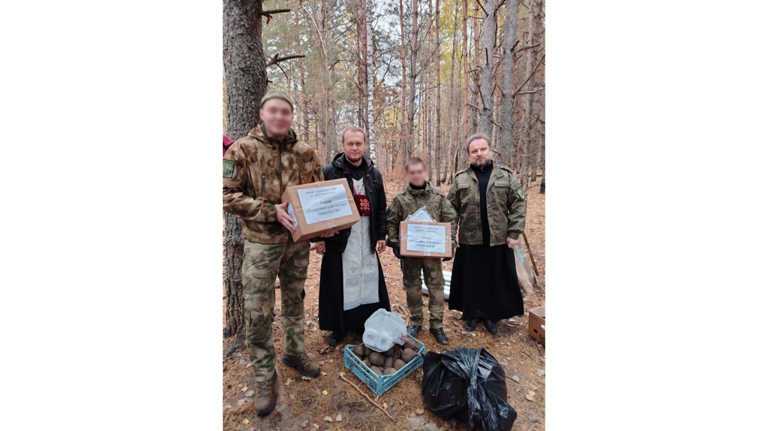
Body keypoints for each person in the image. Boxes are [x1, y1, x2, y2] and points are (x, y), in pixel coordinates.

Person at [222, 90, 335, 416]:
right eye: (273, 111)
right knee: (257, 311)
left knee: (295, 301)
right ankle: (262, 374)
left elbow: (319, 196)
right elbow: (226, 195)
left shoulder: (306, 153)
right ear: (262, 113)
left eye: (285, 112)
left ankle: (294, 352)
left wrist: (324, 226)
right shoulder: (241, 150)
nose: (279, 117)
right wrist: (272, 211)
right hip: (260, 246)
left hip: (298, 245)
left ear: (291, 116)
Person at [315, 126, 391, 346]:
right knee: (339, 281)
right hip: (340, 239)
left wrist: (382, 234)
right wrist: (319, 237)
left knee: (367, 280)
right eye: (350, 143)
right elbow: (317, 207)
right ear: (343, 145)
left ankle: (365, 323)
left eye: (359, 143)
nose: (355, 147)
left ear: (364, 144)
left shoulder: (373, 173)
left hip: (366, 235)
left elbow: (381, 207)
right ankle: (339, 327)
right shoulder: (329, 172)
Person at [447, 134, 527, 335]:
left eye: (482, 149)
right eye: (474, 151)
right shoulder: (460, 179)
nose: (479, 153)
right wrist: (451, 237)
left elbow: (518, 205)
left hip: (498, 239)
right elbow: (451, 210)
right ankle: (472, 314)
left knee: (495, 278)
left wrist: (514, 232)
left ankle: (492, 316)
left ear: (490, 150)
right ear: (468, 155)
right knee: (472, 279)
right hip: (470, 239)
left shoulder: (505, 176)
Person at [386, 158, 457, 345]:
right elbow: (391, 222)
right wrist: (395, 243)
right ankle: (416, 321)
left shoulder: (438, 197)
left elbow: (451, 219)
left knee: (436, 288)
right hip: (410, 255)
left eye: (419, 172)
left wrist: (451, 243)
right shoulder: (399, 199)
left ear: (425, 173)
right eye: (412, 172)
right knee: (412, 287)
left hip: (432, 255)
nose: (416, 175)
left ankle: (437, 325)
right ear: (407, 175)